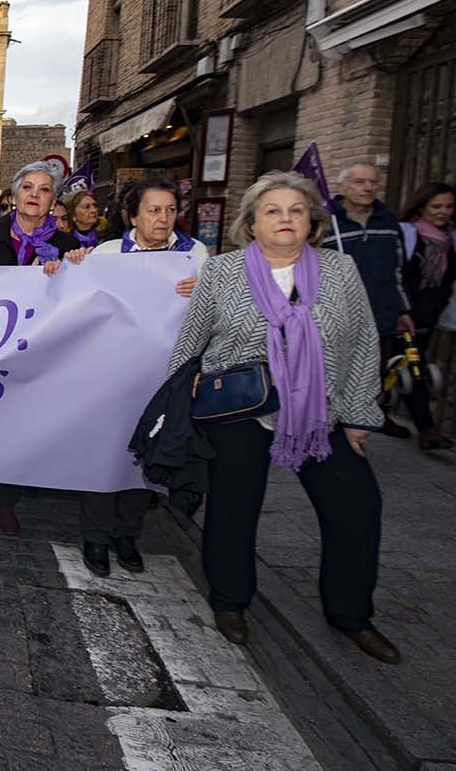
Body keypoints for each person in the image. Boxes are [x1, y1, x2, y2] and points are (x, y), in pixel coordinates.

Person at [168, 171, 398, 664]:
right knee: (233, 507)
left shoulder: (340, 271)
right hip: (240, 410)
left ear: (311, 219)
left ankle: (351, 614)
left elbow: (362, 344)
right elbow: (192, 340)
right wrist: (177, 397)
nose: (286, 219)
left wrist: (360, 416)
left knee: (356, 508)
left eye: (296, 210)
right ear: (251, 223)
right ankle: (230, 601)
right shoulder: (223, 272)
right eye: (273, 211)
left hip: (322, 413)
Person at [78, 177, 206, 576]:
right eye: (153, 210)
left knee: (142, 459)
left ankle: (126, 534)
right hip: (111, 375)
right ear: (132, 215)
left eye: (170, 210)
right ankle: (96, 537)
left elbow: (213, 312)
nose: (163, 218)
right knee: (103, 456)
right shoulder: (108, 253)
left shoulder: (195, 255)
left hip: (163, 379)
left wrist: (202, 291)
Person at [0, 161, 86, 534]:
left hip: (34, 357)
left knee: (18, 432)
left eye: (44, 189)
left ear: (53, 199)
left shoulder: (65, 246)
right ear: (14, 196)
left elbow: (76, 300)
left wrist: (77, 267)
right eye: (27, 187)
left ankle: (6, 502)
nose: (34, 195)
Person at [327, 160, 413, 439]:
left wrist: (402, 309)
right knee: (334, 372)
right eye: (359, 182)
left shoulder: (388, 221)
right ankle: (329, 423)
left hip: (380, 313)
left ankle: (365, 419)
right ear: (342, 187)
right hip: (338, 313)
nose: (367, 188)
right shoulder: (327, 221)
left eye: (372, 182)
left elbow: (397, 269)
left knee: (374, 373)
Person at [398, 182, 456, 450]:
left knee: (404, 368)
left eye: (449, 206)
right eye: (436, 206)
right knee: (414, 368)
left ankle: (384, 414)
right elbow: (396, 273)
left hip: (431, 314)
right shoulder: (408, 235)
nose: (443, 212)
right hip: (403, 314)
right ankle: (427, 429)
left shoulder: (453, 239)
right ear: (421, 207)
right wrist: (401, 310)